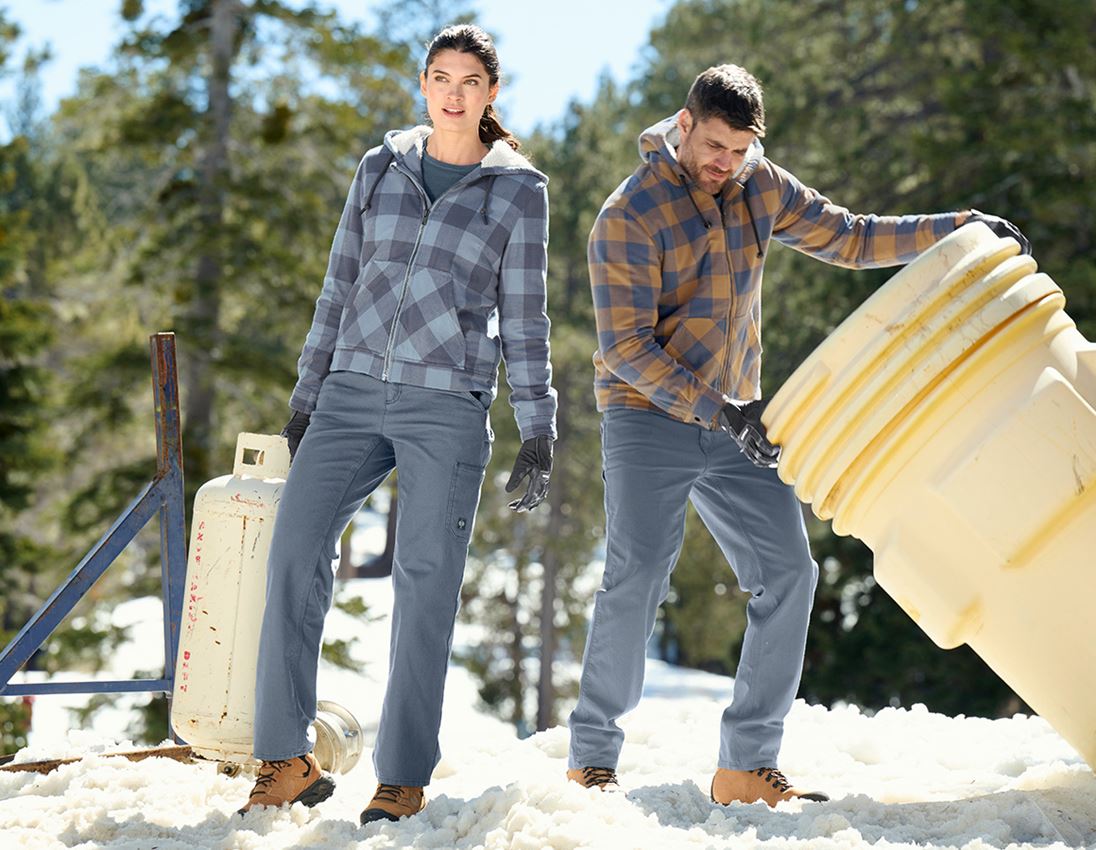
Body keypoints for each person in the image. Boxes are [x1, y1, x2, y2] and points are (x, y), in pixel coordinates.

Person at [565, 64, 1028, 807]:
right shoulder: (629, 214)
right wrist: (719, 411)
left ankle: (746, 762)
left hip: (736, 421)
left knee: (789, 574)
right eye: (713, 146)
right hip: (648, 414)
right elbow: (625, 349)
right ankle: (591, 759)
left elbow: (849, 237)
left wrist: (960, 228)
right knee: (639, 574)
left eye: (738, 152)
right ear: (683, 126)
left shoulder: (759, 184)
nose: (724, 164)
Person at [239, 24, 557, 824]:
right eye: (440, 77)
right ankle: (285, 755)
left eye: (469, 82)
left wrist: (539, 425)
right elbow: (338, 282)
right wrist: (309, 391)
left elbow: (526, 319)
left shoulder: (518, 191)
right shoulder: (380, 168)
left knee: (426, 585)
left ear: (490, 95)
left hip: (444, 406)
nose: (453, 93)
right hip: (348, 391)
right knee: (293, 554)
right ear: (423, 84)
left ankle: (402, 775)